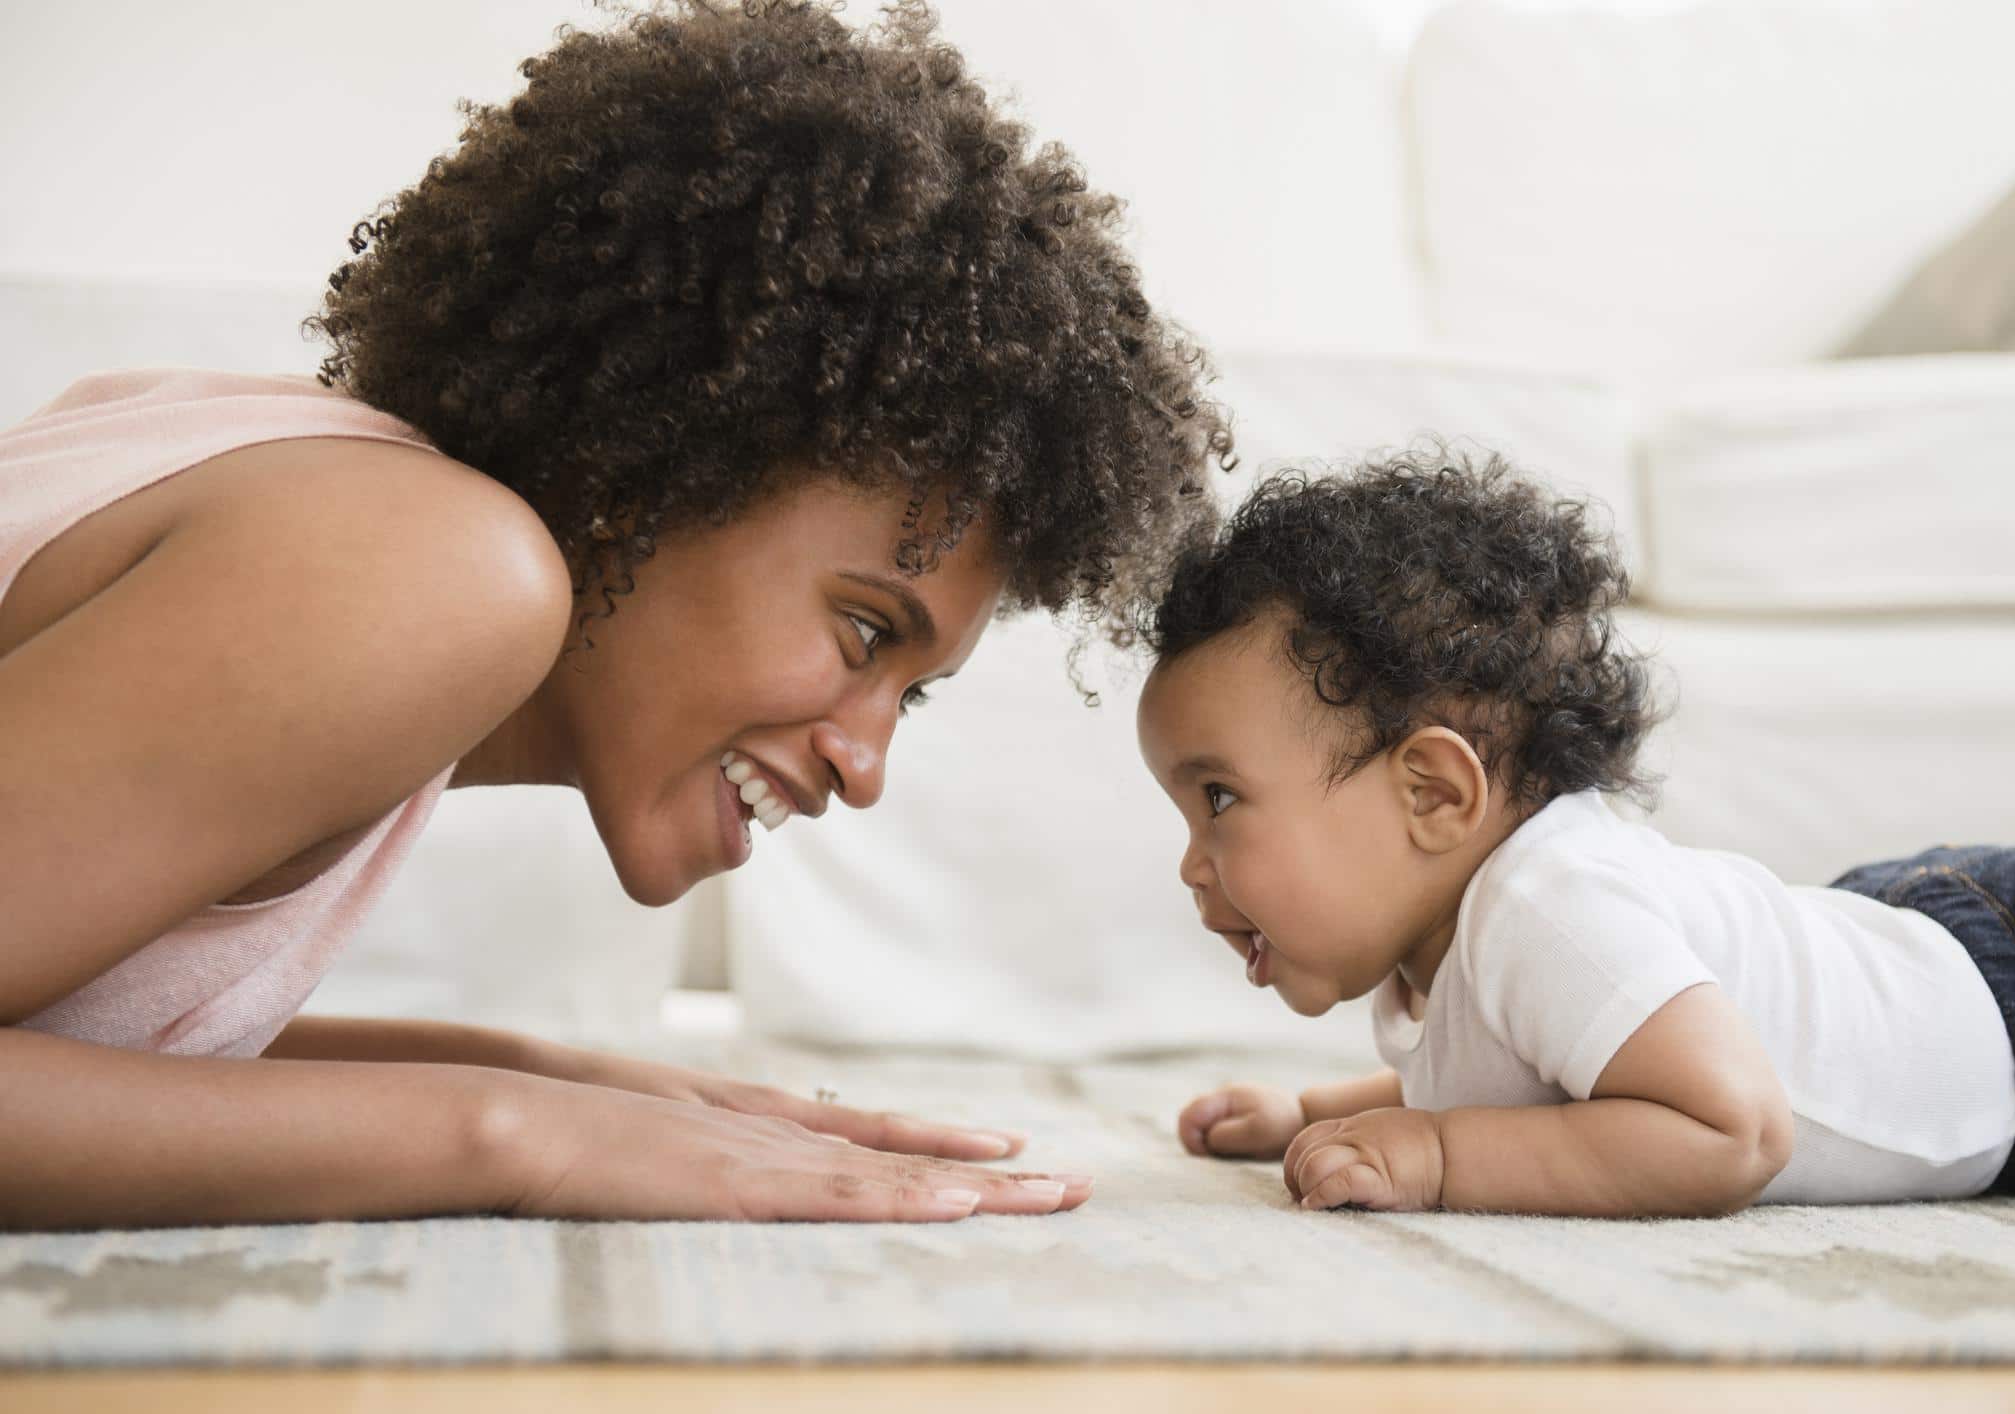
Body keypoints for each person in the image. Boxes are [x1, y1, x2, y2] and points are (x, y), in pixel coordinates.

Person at [0, 1, 1230, 1229]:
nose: (864, 767)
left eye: (908, 694)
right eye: (865, 633)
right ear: (651, 471)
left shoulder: (334, 510)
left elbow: (85, 1024)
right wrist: (518, 1136)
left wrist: (545, 1078)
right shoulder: (427, 569)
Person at [1135, 449, 2015, 1217]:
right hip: (1934, 956)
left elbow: (1733, 1128)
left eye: (1218, 798)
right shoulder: (1452, 940)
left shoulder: (1546, 908)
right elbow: (1526, 1067)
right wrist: (1316, 1113)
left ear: (1433, 793)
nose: (1189, 863)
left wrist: (1436, 1155)